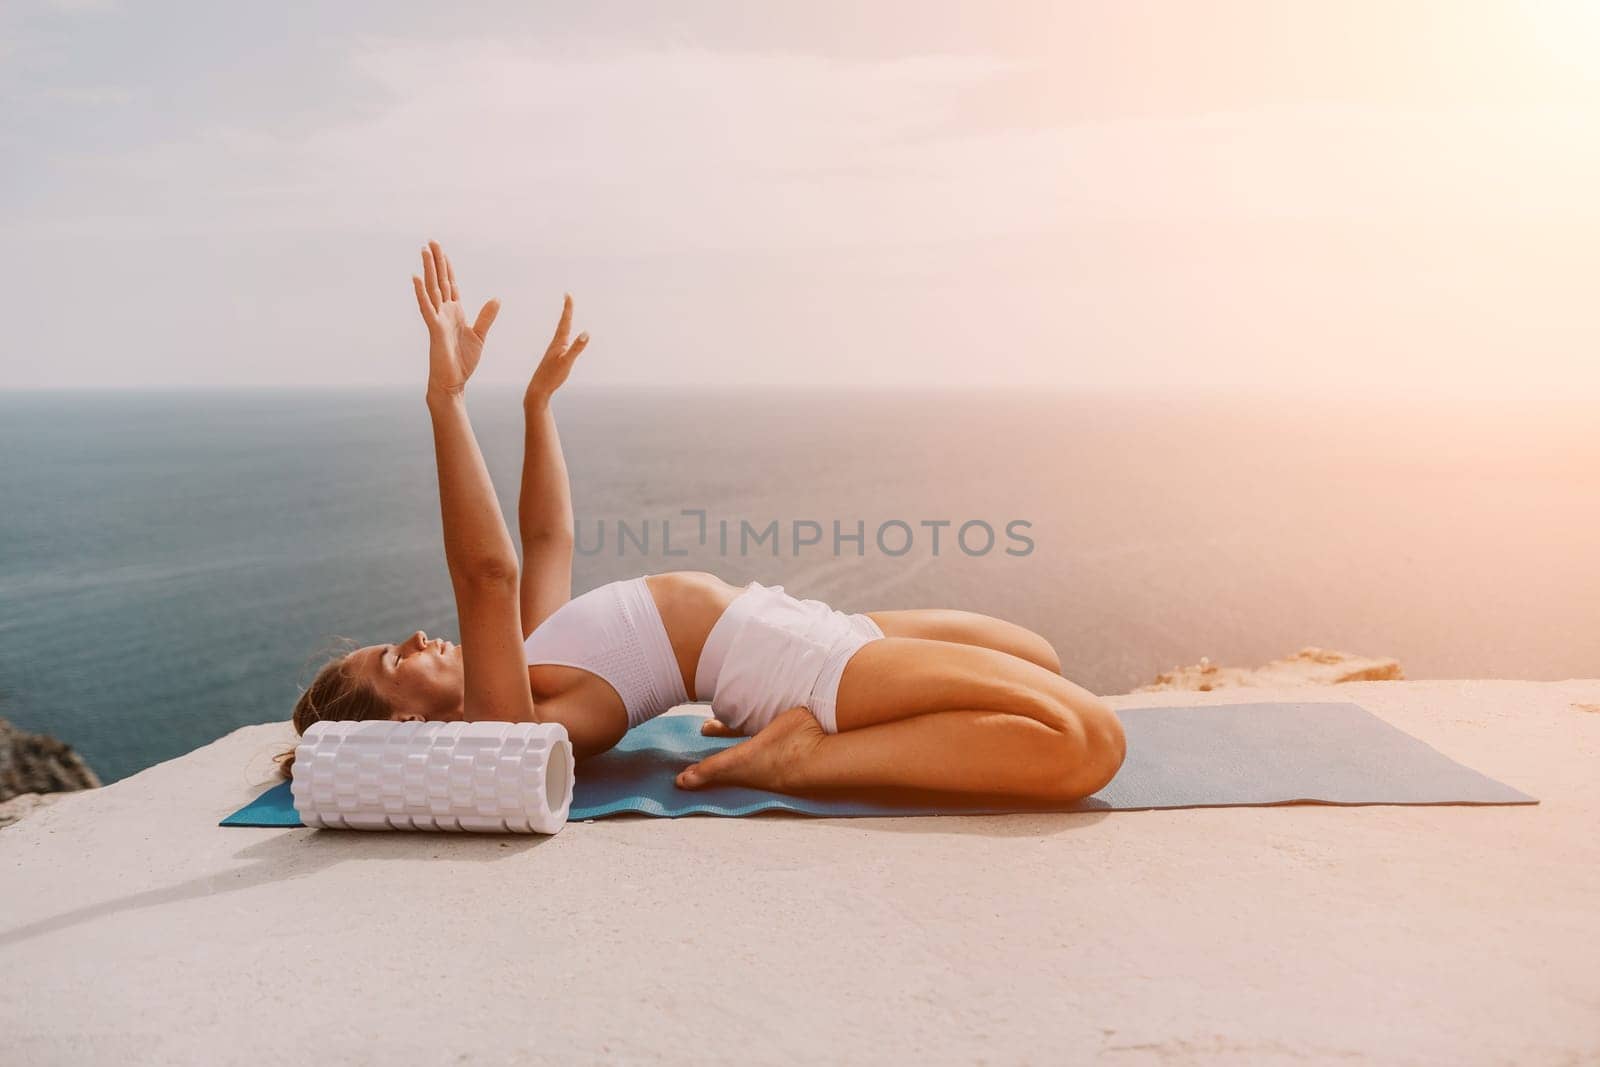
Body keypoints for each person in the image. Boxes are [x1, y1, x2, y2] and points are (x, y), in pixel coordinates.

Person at [277, 240, 1126, 803]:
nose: (421, 636)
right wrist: (446, 400)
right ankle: (808, 756)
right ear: (410, 723)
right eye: (398, 658)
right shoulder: (508, 718)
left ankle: (830, 730)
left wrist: (537, 404)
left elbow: (545, 542)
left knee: (1036, 657)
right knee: (1086, 740)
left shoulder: (526, 663)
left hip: (789, 628)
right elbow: (486, 572)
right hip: (783, 660)